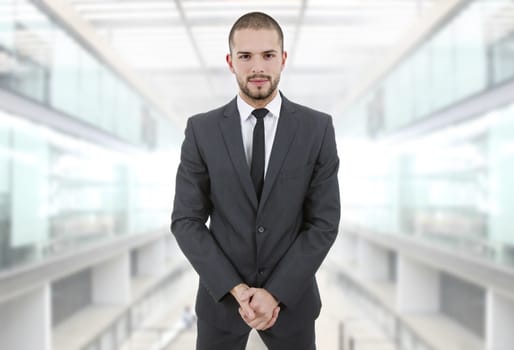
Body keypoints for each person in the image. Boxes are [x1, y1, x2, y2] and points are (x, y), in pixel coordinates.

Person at [171, 11, 340, 350]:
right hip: (221, 304)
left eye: (268, 55)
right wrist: (236, 288)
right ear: (230, 61)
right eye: (246, 56)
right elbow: (186, 221)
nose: (257, 67)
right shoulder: (201, 131)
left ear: (283, 59)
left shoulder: (316, 128)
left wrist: (275, 292)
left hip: (291, 306)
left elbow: (323, 223)